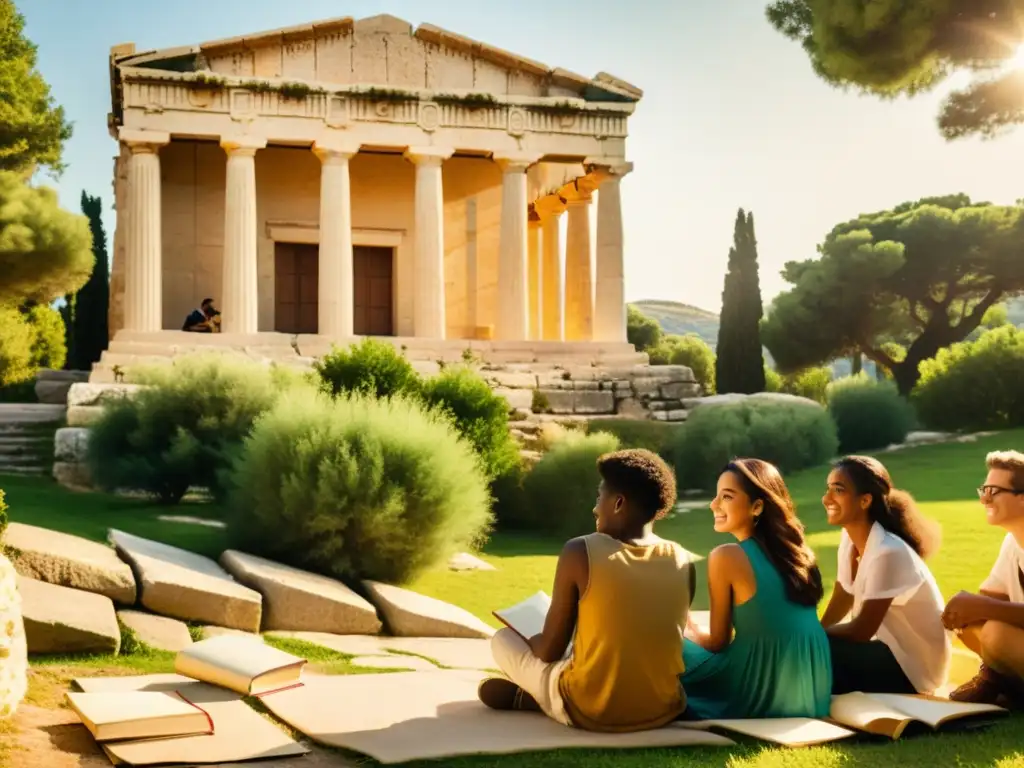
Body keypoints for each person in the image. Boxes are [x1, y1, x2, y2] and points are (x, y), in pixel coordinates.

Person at [478, 449, 696, 732]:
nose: (595, 508)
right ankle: (543, 699)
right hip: (663, 707)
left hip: (591, 709)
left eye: (599, 497)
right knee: (581, 649)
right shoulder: (682, 559)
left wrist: (530, 635)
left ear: (618, 503)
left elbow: (548, 652)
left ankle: (546, 700)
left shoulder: (580, 550)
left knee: (503, 640)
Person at [681, 458, 832, 720]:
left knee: (669, 647)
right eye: (716, 496)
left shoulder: (726, 556)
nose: (713, 504)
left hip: (760, 685)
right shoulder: (798, 554)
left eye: (726, 496)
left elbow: (717, 642)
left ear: (758, 506)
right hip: (811, 686)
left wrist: (690, 629)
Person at [820, 455, 950, 696]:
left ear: (865, 500)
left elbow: (861, 630)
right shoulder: (849, 539)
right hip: (884, 650)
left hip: (913, 669)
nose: (826, 499)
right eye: (828, 489)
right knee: (810, 652)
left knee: (816, 654)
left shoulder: (887, 551)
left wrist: (811, 636)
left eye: (838, 490)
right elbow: (843, 595)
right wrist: (814, 631)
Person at [943, 450, 1024, 706]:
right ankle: (1002, 685)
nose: (984, 500)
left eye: (993, 491)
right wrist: (966, 611)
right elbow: (989, 598)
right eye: (983, 490)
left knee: (996, 633)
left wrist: (983, 607)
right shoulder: (1013, 541)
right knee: (968, 624)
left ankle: (997, 683)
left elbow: (989, 607)